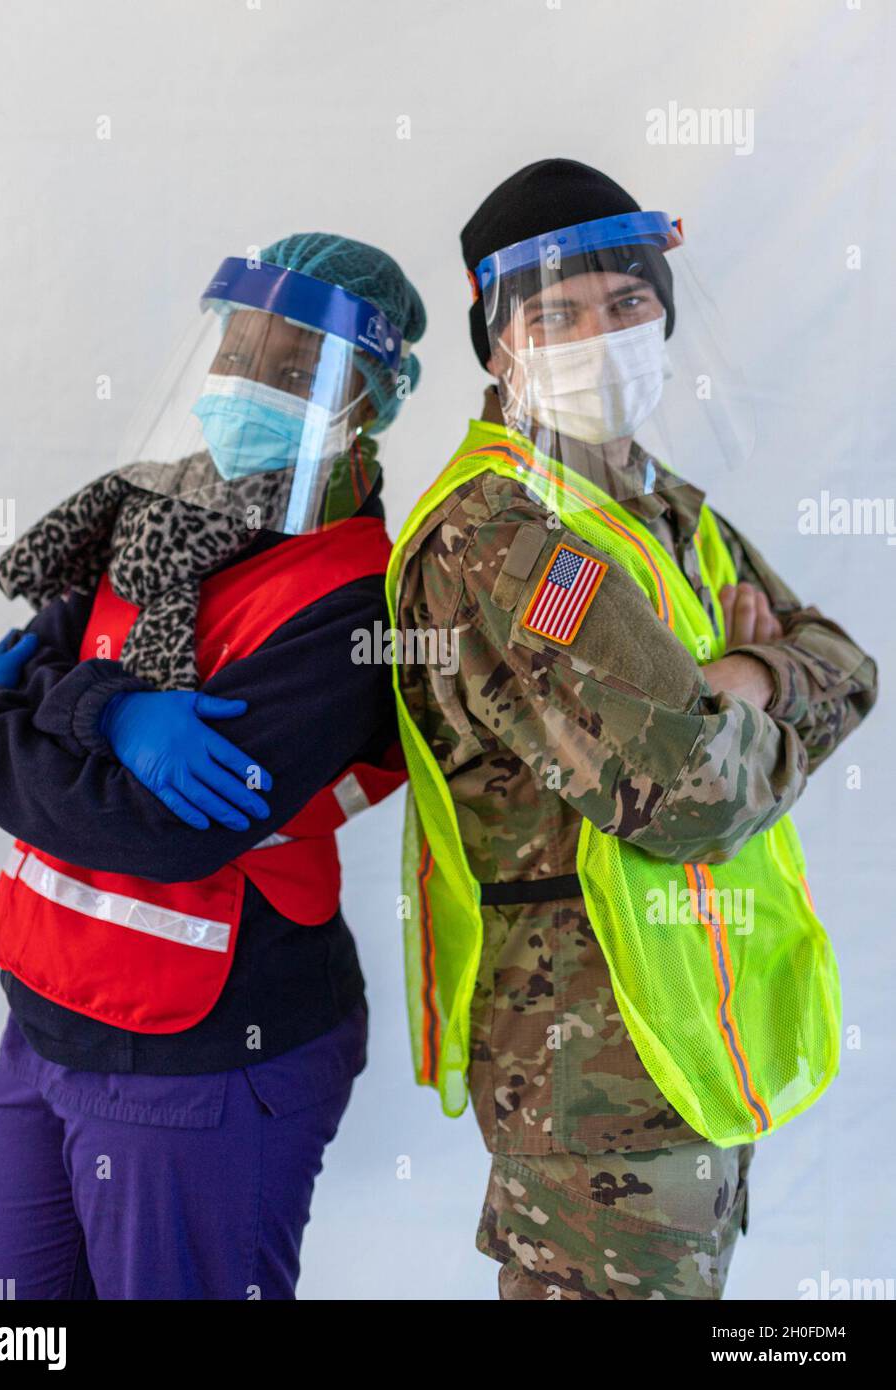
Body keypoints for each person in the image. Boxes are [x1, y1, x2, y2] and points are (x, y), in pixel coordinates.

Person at [386, 160, 877, 1300]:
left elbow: (849, 669)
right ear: (498, 346)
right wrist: (728, 703)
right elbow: (692, 792)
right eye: (554, 316)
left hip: (690, 1050)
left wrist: (740, 674)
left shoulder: (664, 507)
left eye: (625, 303)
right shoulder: (504, 534)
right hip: (588, 1083)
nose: (597, 337)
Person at [0, 233, 426, 1300]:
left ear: (371, 407)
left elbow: (165, 830)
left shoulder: (351, 605)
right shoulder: (155, 517)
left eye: (298, 369)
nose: (252, 384)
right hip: (48, 1022)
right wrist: (108, 711)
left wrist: (24, 721)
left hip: (203, 1060)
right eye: (239, 352)